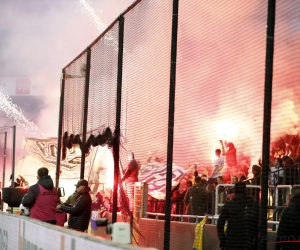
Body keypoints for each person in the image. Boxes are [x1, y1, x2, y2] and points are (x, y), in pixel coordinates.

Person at [217, 181, 259, 250]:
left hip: (231, 242)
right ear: (245, 191)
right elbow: (258, 225)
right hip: (248, 243)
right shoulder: (253, 205)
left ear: (234, 191)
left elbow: (220, 224)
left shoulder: (229, 205)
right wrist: (256, 243)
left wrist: (223, 240)